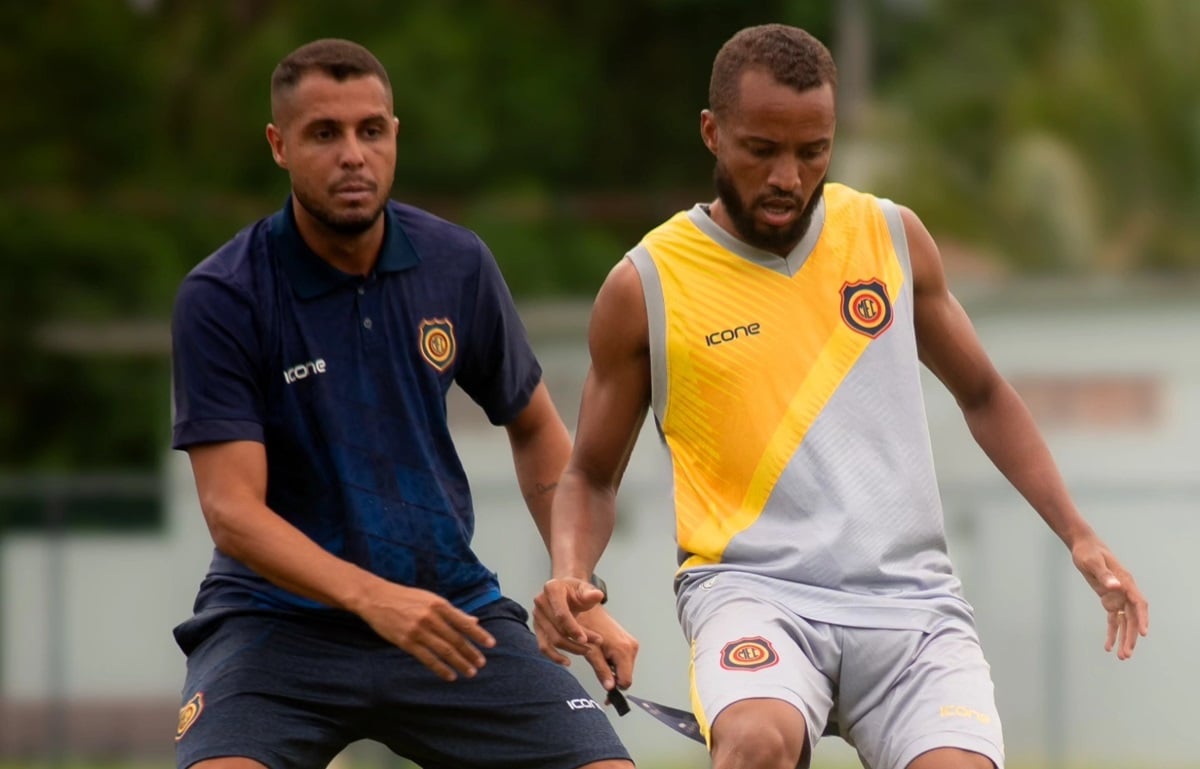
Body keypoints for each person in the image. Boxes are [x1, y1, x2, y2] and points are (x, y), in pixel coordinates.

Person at [532, 23, 1149, 769]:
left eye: (813, 150)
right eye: (762, 150)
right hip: (754, 590)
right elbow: (591, 473)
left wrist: (1078, 532)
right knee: (756, 742)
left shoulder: (890, 237)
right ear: (712, 133)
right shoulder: (648, 284)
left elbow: (984, 393)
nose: (788, 176)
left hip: (912, 602)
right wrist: (571, 572)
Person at [169, 38, 636, 769]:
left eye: (371, 130)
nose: (353, 153)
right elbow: (233, 510)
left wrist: (576, 581)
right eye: (325, 133)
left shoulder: (457, 263)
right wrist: (373, 597)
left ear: (395, 135)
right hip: (274, 625)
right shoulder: (224, 295)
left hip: (446, 608)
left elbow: (537, 425)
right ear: (279, 145)